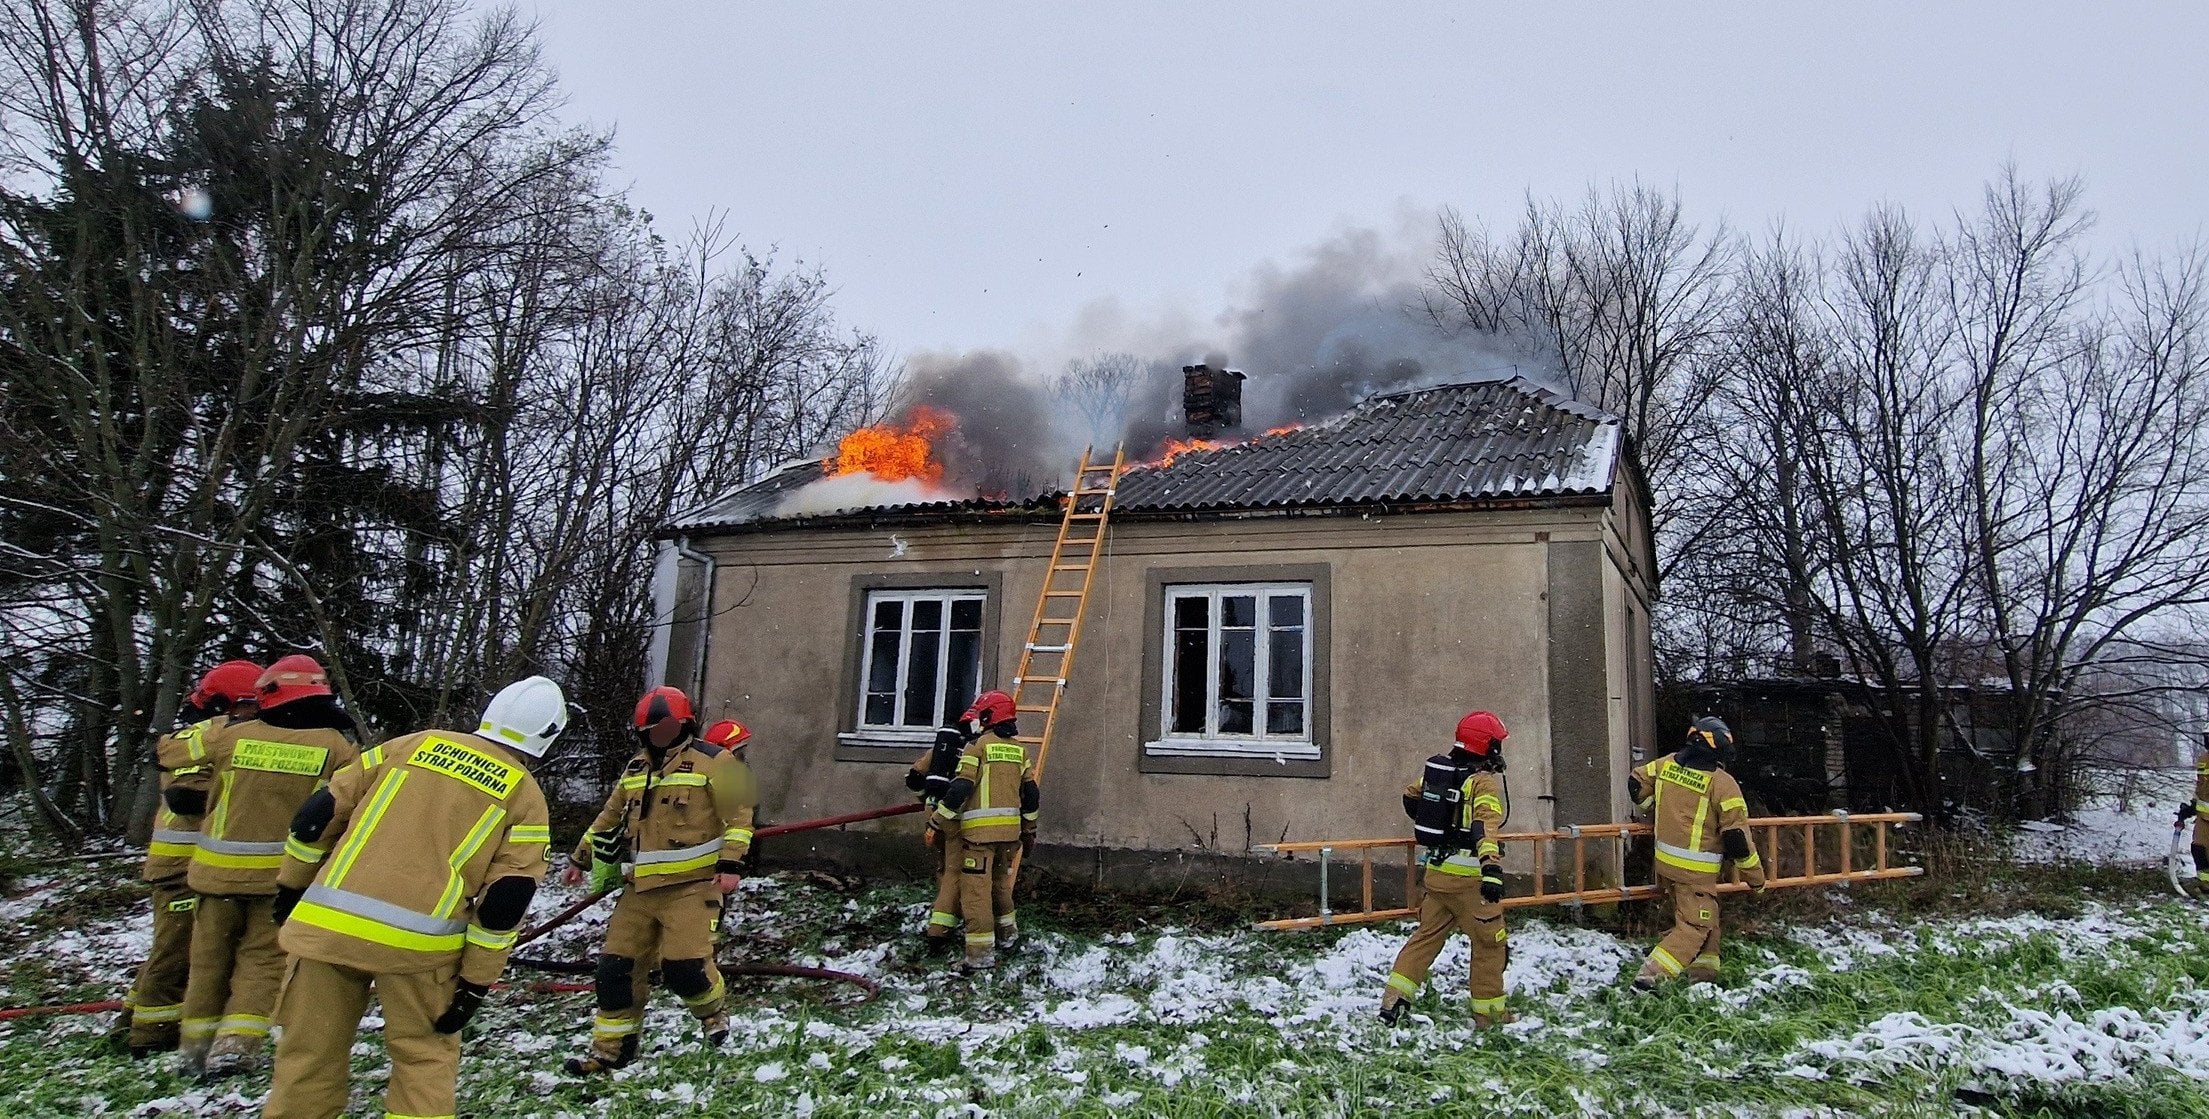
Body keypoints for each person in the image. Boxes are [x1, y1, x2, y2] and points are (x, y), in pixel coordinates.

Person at [258, 676, 563, 1119]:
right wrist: (476, 983)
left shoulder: (410, 745)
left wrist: (291, 885)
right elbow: (504, 903)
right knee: (423, 1060)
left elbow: (318, 815)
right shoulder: (524, 795)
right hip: (420, 951)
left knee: (308, 1057)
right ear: (550, 734)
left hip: (327, 932)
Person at [171, 654, 359, 1079]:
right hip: (281, 880)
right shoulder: (336, 746)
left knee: (207, 964)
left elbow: (167, 753)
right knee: (263, 963)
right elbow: (348, 808)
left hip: (215, 877)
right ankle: (235, 1048)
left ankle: (193, 1051)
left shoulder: (231, 737)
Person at [562, 687, 756, 1075]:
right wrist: (580, 858)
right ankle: (610, 1051)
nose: (660, 735)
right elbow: (610, 816)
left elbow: (740, 814)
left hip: (693, 886)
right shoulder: (636, 769)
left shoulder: (715, 761)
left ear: (685, 726)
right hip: (640, 889)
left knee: (686, 968)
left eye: (668, 727)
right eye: (653, 729)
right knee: (615, 970)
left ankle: (713, 1015)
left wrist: (731, 864)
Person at [115, 659, 261, 1058]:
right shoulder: (206, 736)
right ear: (235, 703)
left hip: (200, 865)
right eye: (254, 703)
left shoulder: (223, 733)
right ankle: (150, 1037)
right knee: (175, 954)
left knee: (176, 950)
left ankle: (131, 1020)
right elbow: (184, 795)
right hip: (182, 865)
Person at [1378, 711, 1514, 1028]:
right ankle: (1490, 1016)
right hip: (1469, 882)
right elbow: (1485, 828)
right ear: (1488, 746)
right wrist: (1491, 869)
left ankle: (1392, 1000)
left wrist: (1443, 826)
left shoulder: (1438, 775)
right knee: (1490, 944)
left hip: (1437, 876)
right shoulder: (1483, 784)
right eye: (1497, 744)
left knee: (1425, 938)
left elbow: (1411, 797)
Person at [1628, 717, 1766, 990]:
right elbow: (1737, 840)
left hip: (1665, 864)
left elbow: (1636, 782)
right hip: (1696, 873)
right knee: (1694, 926)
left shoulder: (1666, 765)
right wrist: (1756, 879)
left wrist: (1653, 805)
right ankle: (1649, 978)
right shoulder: (1722, 784)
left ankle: (1704, 977)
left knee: (1706, 917)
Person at [926, 690, 1038, 971]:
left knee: (976, 896)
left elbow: (961, 787)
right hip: (1009, 837)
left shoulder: (977, 748)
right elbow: (1031, 794)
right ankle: (1008, 937)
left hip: (978, 839)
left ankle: (979, 956)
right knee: (1001, 887)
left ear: (989, 717)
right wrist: (1029, 830)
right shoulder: (1020, 751)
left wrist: (937, 820)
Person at [906, 720, 972, 954]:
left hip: (934, 816)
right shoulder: (972, 749)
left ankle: (942, 907)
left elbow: (914, 777)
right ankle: (940, 928)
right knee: (956, 870)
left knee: (943, 866)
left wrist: (926, 799)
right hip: (955, 818)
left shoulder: (941, 747)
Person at [2178, 736, 2209, 898]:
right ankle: (2205, 885)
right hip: (2204, 817)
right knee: (2199, 849)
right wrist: (2192, 806)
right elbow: (2202, 785)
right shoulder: (2204, 759)